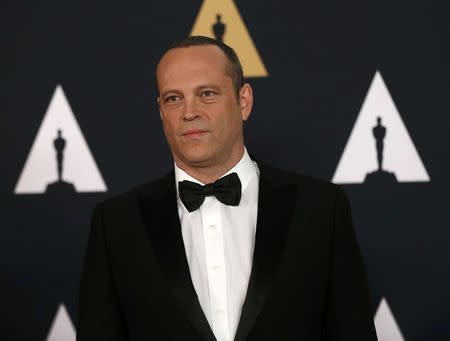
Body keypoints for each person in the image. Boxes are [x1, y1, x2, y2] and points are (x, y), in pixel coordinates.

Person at [76, 36, 378, 341]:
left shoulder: (321, 209)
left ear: (243, 101)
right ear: (160, 111)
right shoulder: (116, 224)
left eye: (206, 94)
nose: (189, 112)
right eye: (173, 98)